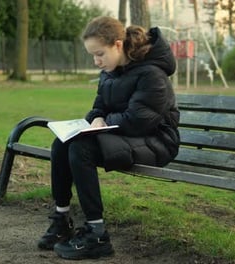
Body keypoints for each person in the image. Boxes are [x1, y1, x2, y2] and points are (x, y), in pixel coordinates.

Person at [37, 16, 180, 260]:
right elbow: (98, 107)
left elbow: (139, 120)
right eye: (92, 55)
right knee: (62, 142)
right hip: (126, 136)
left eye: (99, 54)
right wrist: (95, 118)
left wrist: (105, 121)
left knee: (81, 148)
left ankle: (97, 234)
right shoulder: (110, 72)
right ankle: (62, 219)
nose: (96, 61)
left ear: (117, 44)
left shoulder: (152, 74)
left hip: (157, 141)